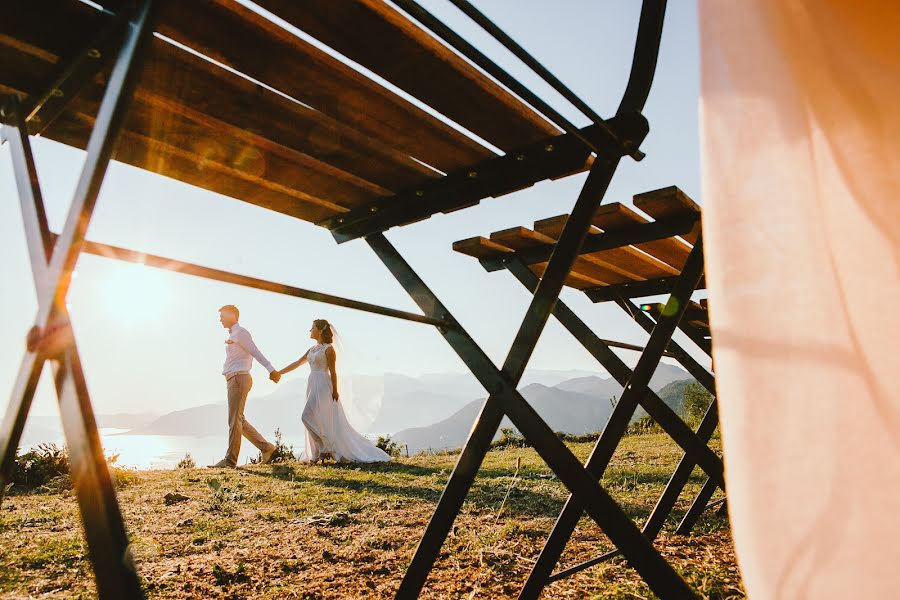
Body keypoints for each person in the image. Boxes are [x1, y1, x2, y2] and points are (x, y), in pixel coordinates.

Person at [275, 319, 390, 464]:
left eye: (312, 328)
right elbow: (297, 363)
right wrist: (279, 373)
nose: (310, 331)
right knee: (314, 417)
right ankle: (318, 452)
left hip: (323, 384)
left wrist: (335, 391)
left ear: (321, 330)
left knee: (307, 416)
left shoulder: (329, 349)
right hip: (312, 383)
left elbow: (333, 372)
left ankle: (325, 446)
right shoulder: (312, 349)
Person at [209, 304, 280, 468]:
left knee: (234, 420)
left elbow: (256, 352)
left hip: (239, 379)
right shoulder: (234, 334)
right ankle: (267, 447)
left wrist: (271, 370)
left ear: (233, 315)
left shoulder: (241, 333)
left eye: (223, 315)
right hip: (233, 379)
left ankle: (230, 461)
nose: (220, 319)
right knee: (238, 419)